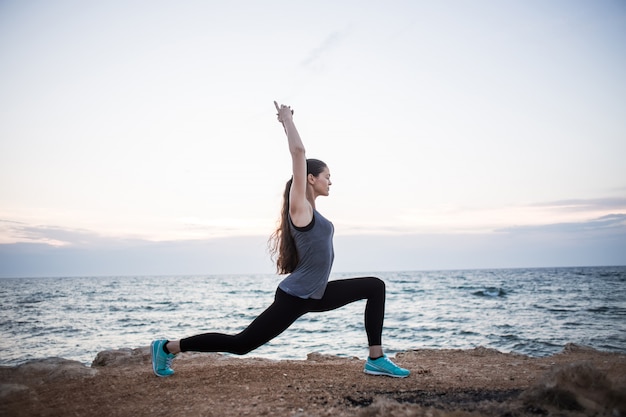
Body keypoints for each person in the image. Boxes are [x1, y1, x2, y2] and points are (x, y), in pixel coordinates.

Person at [150, 102, 410, 378]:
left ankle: (375, 358)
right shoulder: (300, 209)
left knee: (374, 287)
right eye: (327, 177)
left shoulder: (313, 212)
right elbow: (298, 153)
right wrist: (286, 120)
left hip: (317, 294)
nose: (330, 182)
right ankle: (167, 347)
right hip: (296, 297)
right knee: (241, 344)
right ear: (310, 179)